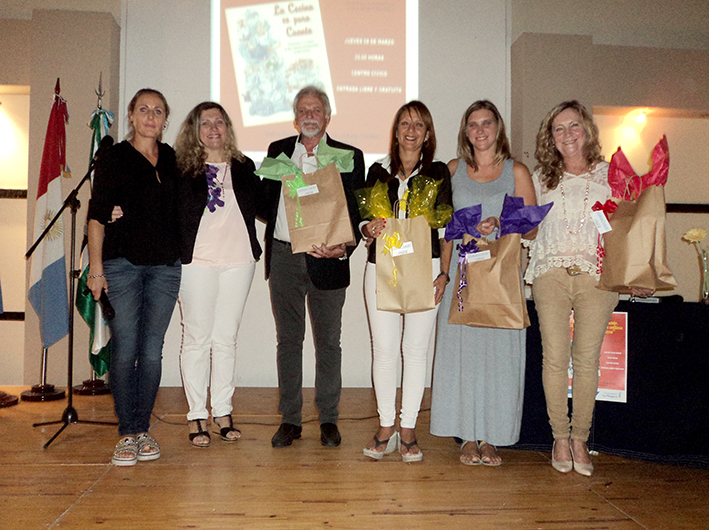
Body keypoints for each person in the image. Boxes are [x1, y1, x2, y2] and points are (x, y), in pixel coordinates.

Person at [430, 100, 535, 466]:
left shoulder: (516, 170)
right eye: (473, 124)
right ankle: (466, 436)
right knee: (463, 356)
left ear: (498, 128)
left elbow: (533, 227)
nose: (480, 130)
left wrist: (501, 222)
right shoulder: (453, 169)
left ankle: (491, 436)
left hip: (502, 278)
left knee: (498, 358)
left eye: (486, 123)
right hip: (463, 276)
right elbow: (445, 229)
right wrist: (443, 273)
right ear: (466, 131)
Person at [261, 86, 365, 448]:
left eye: (316, 110)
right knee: (288, 341)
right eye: (303, 110)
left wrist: (344, 247)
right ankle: (290, 419)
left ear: (327, 117)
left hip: (328, 259)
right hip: (285, 255)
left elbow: (357, 210)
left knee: (328, 343)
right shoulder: (278, 153)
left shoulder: (349, 156)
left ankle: (328, 419)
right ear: (294, 118)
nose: (309, 115)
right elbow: (263, 202)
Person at [525, 100, 619, 476]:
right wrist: (518, 223)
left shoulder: (611, 174)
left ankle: (580, 437)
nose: (567, 134)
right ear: (551, 136)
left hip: (597, 275)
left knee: (587, 359)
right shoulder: (539, 178)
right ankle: (559, 437)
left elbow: (625, 229)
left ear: (587, 130)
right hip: (550, 272)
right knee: (554, 358)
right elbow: (528, 231)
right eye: (559, 128)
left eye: (573, 126)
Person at [87, 88, 181, 466]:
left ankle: (143, 430)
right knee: (126, 349)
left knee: (152, 351)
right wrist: (96, 269)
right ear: (131, 116)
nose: (150, 116)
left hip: (165, 268)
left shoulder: (171, 157)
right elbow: (96, 216)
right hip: (122, 266)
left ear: (164, 120)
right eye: (143, 109)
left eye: (158, 111)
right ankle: (126, 433)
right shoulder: (114, 158)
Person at [361, 101, 452, 462]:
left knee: (415, 351)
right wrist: (368, 228)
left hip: (425, 268)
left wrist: (444, 273)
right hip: (380, 267)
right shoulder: (376, 171)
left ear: (427, 134)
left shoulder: (438, 172)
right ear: (396, 130)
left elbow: (446, 229)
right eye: (404, 123)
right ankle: (386, 426)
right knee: (383, 349)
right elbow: (364, 221)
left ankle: (409, 426)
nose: (411, 130)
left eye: (419, 125)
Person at [174, 102, 262, 447]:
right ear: (194, 130)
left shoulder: (244, 166)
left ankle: (222, 410)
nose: (213, 128)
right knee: (197, 338)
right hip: (196, 261)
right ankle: (197, 414)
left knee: (226, 339)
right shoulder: (182, 169)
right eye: (205, 123)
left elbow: (264, 206)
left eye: (220, 122)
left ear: (228, 128)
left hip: (239, 261)